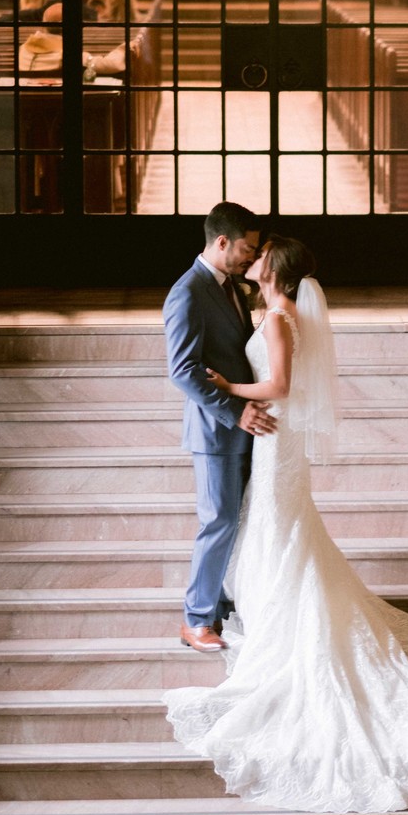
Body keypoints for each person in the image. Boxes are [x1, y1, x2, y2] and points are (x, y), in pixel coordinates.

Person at [163, 234, 408, 814]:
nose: (253, 257)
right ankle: (264, 604)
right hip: (274, 440)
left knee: (278, 525)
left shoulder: (276, 319)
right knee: (277, 527)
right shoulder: (271, 311)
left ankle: (273, 612)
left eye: (260, 254)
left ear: (275, 270)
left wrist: (228, 389)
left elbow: (282, 386)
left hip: (272, 433)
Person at [162, 202, 277, 653]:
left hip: (245, 426)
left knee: (239, 519)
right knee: (219, 521)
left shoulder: (230, 286)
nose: (251, 256)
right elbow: (183, 369)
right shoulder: (187, 292)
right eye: (247, 247)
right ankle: (196, 619)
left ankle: (226, 607)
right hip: (216, 430)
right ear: (222, 241)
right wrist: (235, 411)